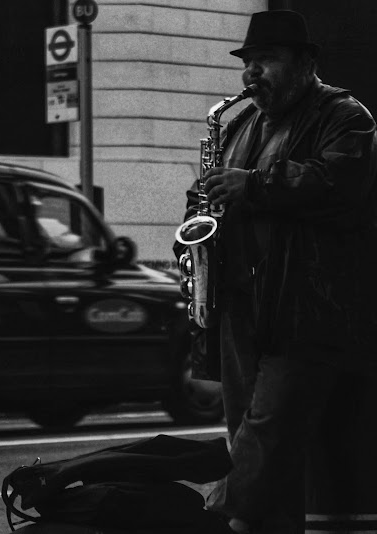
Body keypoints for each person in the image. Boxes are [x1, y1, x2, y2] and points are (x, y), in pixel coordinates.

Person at [175, 9, 377, 534]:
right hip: (242, 303)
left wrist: (255, 186)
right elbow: (219, 192)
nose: (252, 73)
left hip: (305, 305)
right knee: (245, 431)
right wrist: (201, 209)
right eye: (248, 63)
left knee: (266, 433)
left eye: (267, 60)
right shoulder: (241, 122)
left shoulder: (345, 115)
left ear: (306, 63)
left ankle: (221, 523)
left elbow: (341, 184)